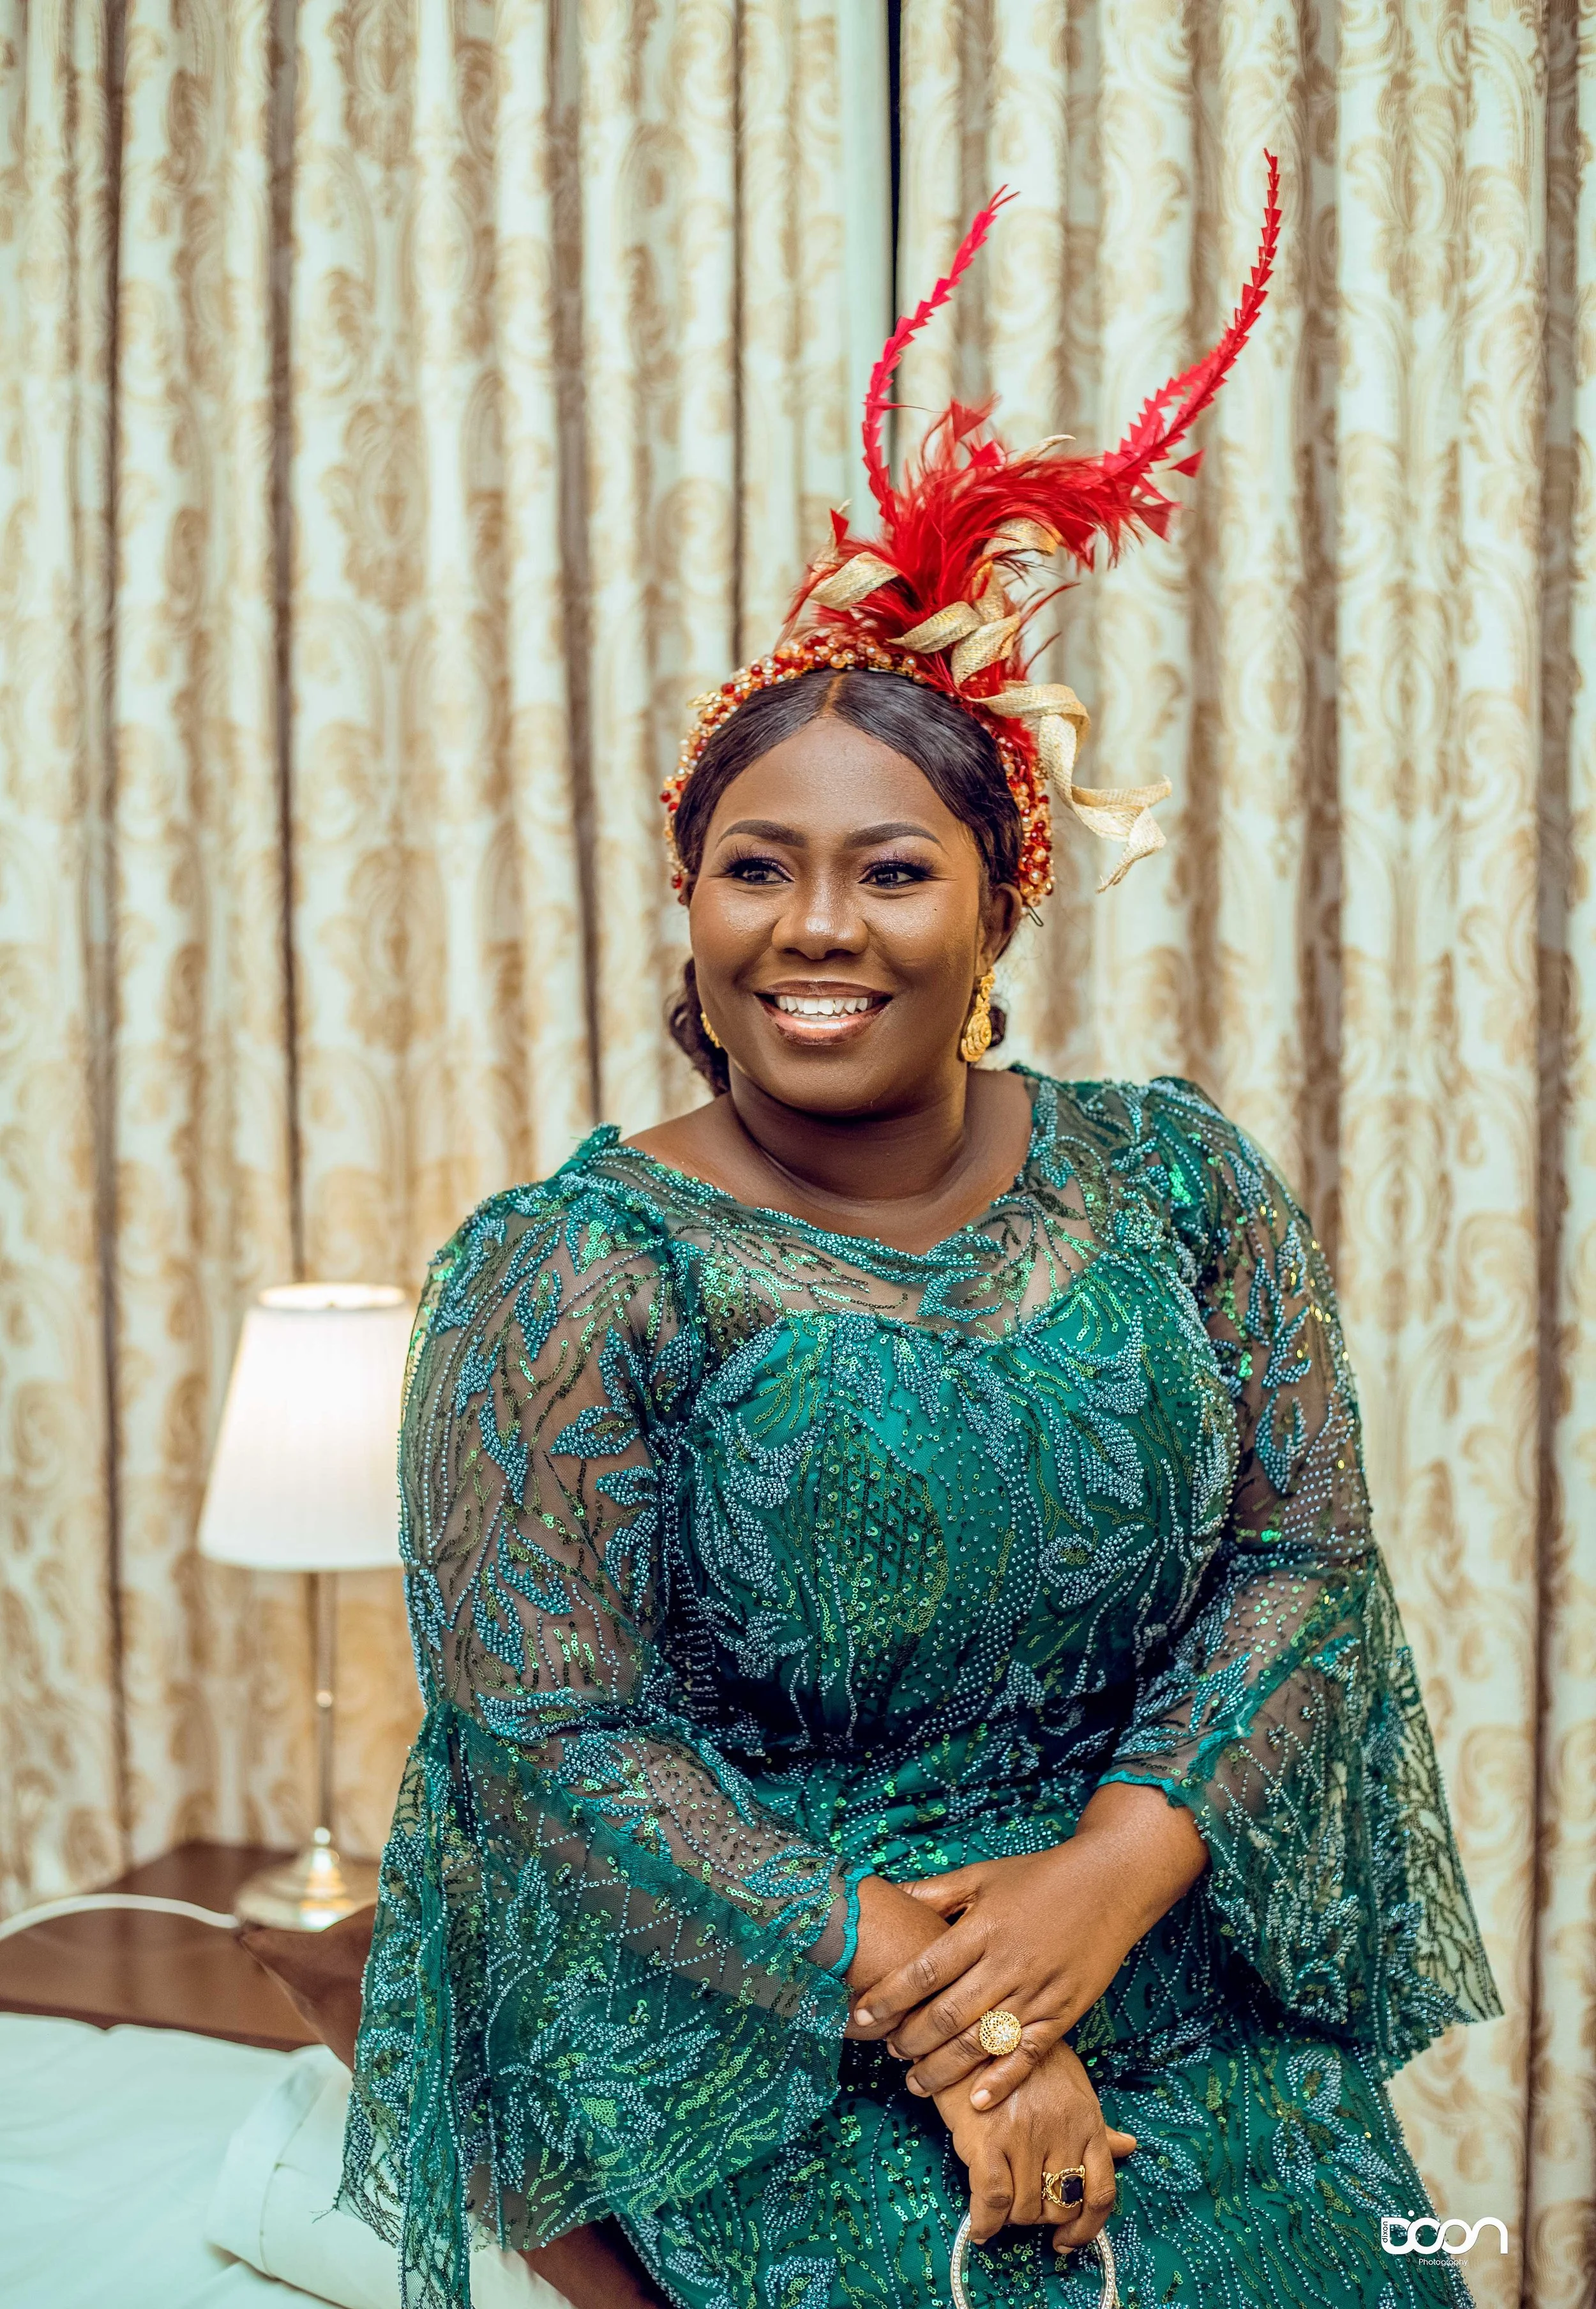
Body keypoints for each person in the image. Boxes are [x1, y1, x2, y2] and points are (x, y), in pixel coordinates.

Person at [341, 165, 1500, 2309]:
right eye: (753, 869)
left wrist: (1103, 1885)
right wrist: (963, 2019)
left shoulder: (1176, 1179)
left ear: (994, 907)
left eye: (888, 872)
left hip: (1171, 1951)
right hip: (760, 2020)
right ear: (691, 906)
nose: (815, 927)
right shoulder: (573, 1264)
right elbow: (556, 1738)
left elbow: (1302, 1559)